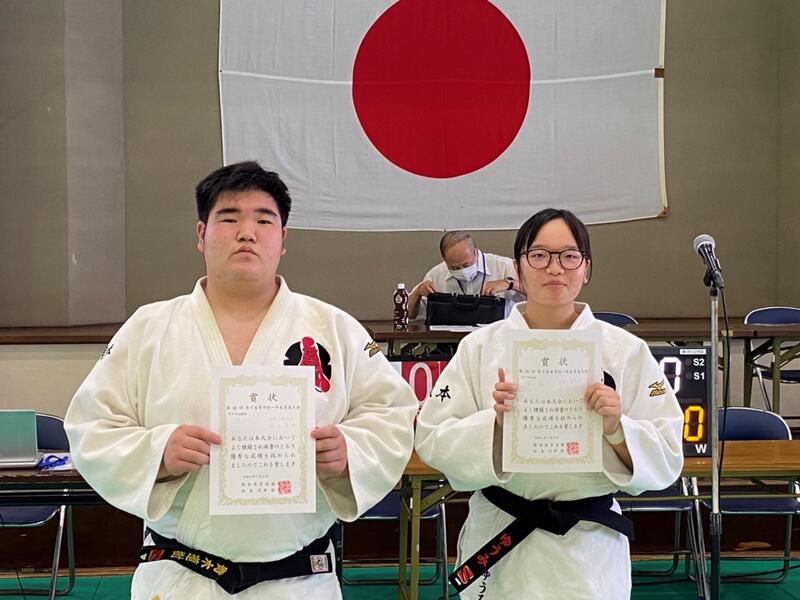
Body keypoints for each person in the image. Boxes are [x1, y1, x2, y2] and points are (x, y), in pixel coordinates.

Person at [64, 161, 418, 600]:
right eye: (229, 218)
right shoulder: (149, 328)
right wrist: (158, 453)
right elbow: (91, 426)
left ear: (283, 239)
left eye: (264, 221)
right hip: (182, 579)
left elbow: (392, 414)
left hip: (298, 582)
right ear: (201, 234)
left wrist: (351, 450)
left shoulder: (334, 327)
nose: (246, 232)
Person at [414, 208, 683, 599]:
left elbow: (668, 455)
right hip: (502, 533)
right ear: (518, 269)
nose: (555, 268)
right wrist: (496, 424)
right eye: (539, 256)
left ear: (586, 268)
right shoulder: (480, 347)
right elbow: (433, 439)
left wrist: (616, 428)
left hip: (588, 548)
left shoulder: (626, 351)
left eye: (569, 256)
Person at [408, 231, 525, 320]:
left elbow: (535, 295)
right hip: (450, 339)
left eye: (466, 265)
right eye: (454, 268)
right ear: (444, 260)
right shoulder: (436, 274)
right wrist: (417, 293)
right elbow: (409, 314)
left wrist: (510, 284)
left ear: (476, 252)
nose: (462, 270)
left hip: (499, 336)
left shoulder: (504, 266)